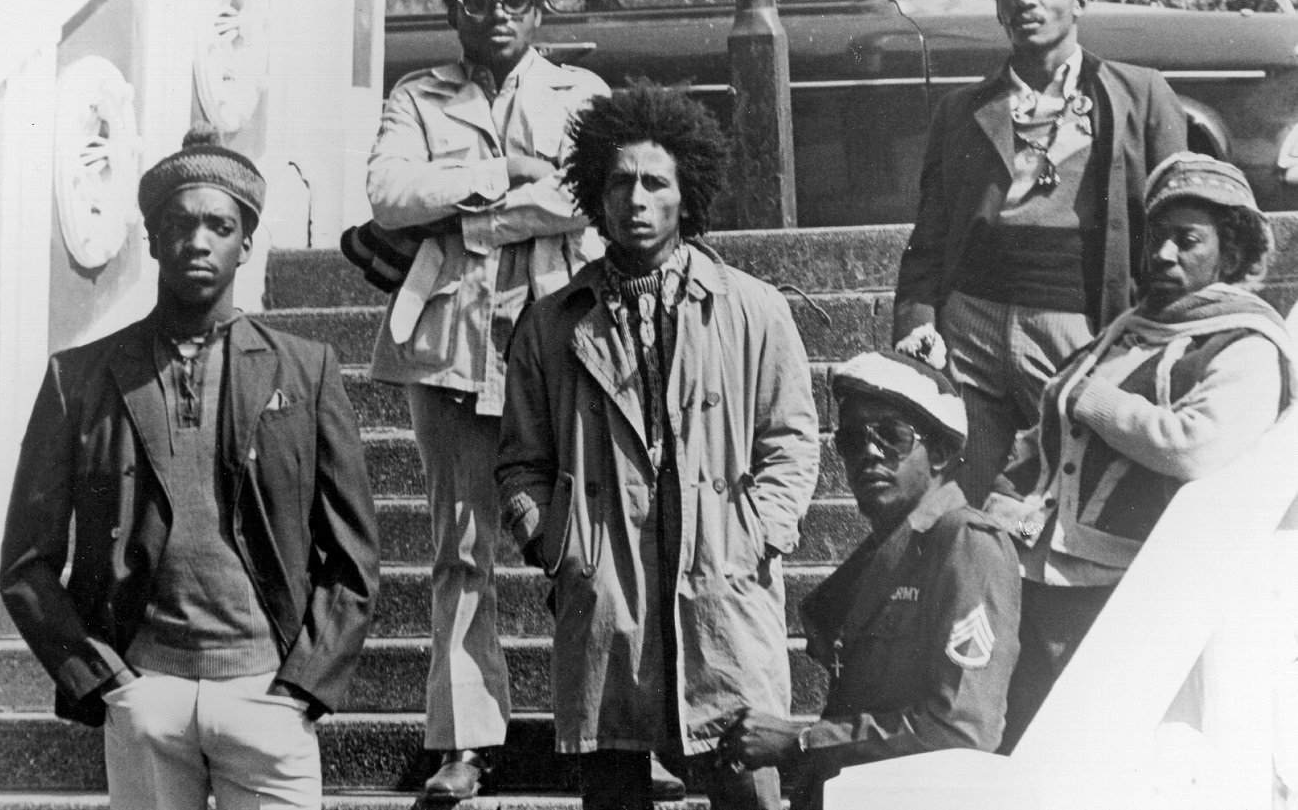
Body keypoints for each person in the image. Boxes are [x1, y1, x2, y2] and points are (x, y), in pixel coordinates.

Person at [0, 124, 381, 810]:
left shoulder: (306, 368)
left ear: (246, 242)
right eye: (178, 223)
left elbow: (354, 556)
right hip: (146, 693)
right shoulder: (79, 377)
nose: (197, 240)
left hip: (267, 694)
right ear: (151, 238)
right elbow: (25, 560)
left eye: (219, 224)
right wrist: (105, 679)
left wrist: (301, 686)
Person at [495, 83, 821, 810]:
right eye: (619, 181)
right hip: (606, 583)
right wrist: (557, 543)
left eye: (655, 182)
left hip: (720, 579)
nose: (636, 198)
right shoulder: (551, 324)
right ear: (595, 192)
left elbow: (791, 437)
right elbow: (520, 459)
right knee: (612, 782)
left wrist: (760, 531)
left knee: (748, 784)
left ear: (686, 192)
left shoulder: (753, 309)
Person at [364, 0, 611, 799]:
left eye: (516, 1)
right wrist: (505, 175)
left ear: (540, 10)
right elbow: (391, 194)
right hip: (450, 343)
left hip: (562, 336)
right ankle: (465, 740)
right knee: (459, 546)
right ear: (453, 10)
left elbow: (589, 196)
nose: (498, 15)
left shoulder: (581, 95)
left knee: (590, 535)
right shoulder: (416, 97)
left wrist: (468, 219)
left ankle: (605, 725)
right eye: (479, 1)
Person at [985, 152, 1298, 749]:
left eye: (1188, 241)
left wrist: (1099, 401)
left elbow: (1193, 445)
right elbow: (1050, 419)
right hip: (1040, 565)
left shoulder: (1246, 345)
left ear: (1230, 254)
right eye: (1157, 237)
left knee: (1077, 753)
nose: (1163, 254)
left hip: (1123, 587)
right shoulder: (1135, 325)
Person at [892, 0, 1187, 505]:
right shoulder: (962, 111)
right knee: (957, 496)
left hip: (1079, 329)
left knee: (1086, 490)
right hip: (970, 327)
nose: (1026, 0)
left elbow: (1181, 226)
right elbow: (928, 240)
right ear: (999, 5)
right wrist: (917, 321)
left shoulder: (1140, 96)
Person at [718, 351, 1021, 810]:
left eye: (892, 437)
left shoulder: (966, 543)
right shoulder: (886, 554)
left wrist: (802, 743)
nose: (868, 453)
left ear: (939, 453)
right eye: (852, 441)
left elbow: (962, 728)